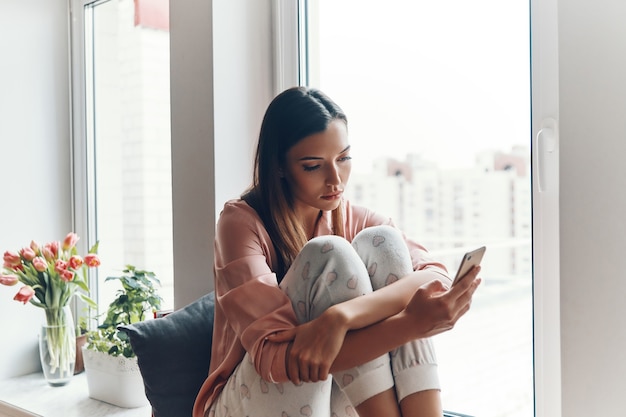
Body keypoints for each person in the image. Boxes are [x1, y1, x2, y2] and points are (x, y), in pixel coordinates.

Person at [193, 86, 481, 417]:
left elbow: (434, 276)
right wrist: (410, 324)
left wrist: (340, 318)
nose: (335, 180)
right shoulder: (241, 222)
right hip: (246, 402)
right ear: (281, 167)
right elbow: (275, 359)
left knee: (384, 242)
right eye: (313, 166)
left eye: (343, 159)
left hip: (328, 395)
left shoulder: (356, 219)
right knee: (329, 254)